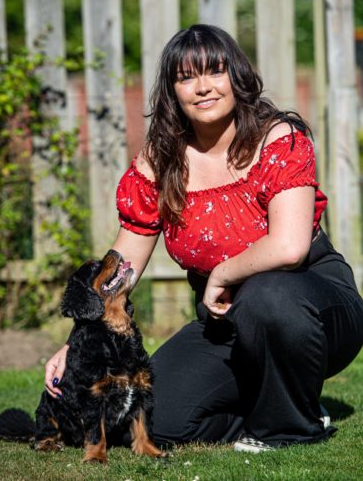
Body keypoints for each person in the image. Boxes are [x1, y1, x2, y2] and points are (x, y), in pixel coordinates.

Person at [45, 24, 363, 452]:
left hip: (313, 307)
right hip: (226, 319)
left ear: (236, 76)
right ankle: (272, 407)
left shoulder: (279, 138)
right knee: (160, 419)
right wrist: (77, 340)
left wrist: (222, 274)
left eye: (214, 71)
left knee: (267, 296)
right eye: (186, 77)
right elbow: (123, 265)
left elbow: (290, 247)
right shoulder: (160, 161)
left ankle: (293, 426)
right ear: (172, 91)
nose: (203, 87)